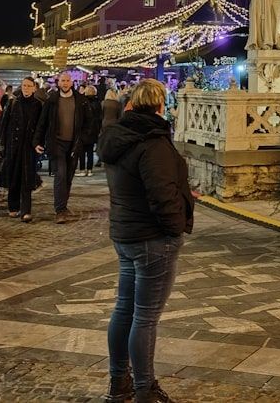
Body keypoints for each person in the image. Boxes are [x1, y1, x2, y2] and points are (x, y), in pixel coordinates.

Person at [99, 78, 194, 403]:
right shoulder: (152, 142)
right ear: (159, 105)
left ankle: (119, 382)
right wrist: (176, 226)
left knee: (125, 309)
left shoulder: (117, 137)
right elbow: (161, 193)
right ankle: (145, 388)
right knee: (145, 315)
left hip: (126, 233)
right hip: (153, 237)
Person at [33, 70, 101, 223]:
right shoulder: (52, 100)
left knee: (68, 176)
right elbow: (43, 122)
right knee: (61, 174)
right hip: (57, 143)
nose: (64, 83)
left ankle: (63, 206)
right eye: (62, 80)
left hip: (74, 144)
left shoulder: (80, 100)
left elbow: (89, 122)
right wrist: (37, 141)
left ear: (72, 83)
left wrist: (83, 139)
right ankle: (59, 210)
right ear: (58, 82)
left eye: (67, 81)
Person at [0, 76, 44, 222]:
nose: (26, 88)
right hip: (13, 145)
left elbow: (40, 127)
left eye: (29, 86)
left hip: (29, 146)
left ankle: (26, 211)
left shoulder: (38, 105)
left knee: (27, 178)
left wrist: (38, 142)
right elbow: (4, 124)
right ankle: (13, 207)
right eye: (24, 85)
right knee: (14, 177)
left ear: (34, 88)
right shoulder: (12, 103)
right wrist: (2, 144)